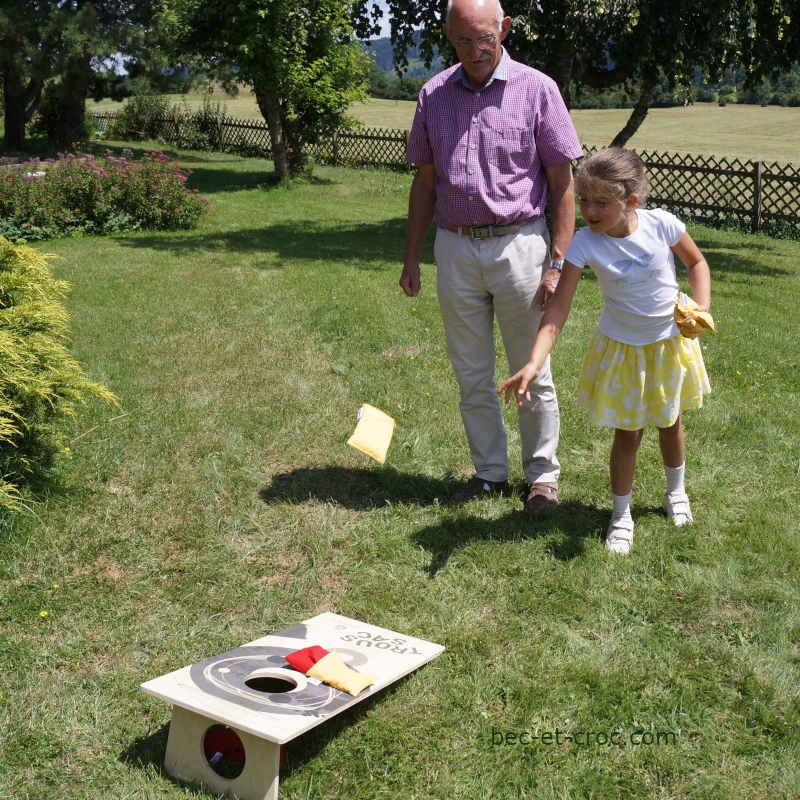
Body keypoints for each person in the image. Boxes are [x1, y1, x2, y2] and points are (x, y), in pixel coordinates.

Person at [400, 0, 583, 511]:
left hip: (519, 245)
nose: (475, 50)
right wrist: (411, 257)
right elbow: (425, 182)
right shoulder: (433, 94)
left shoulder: (537, 89)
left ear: (504, 29)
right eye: (463, 40)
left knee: (532, 367)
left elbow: (563, 184)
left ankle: (543, 478)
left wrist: (557, 261)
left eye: (484, 38)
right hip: (455, 247)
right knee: (471, 372)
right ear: (447, 35)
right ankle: (489, 474)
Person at [499, 148, 712, 555]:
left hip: (667, 345)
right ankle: (621, 514)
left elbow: (696, 263)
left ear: (629, 201)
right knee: (628, 433)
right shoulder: (584, 243)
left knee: (671, 422)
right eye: (584, 200)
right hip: (623, 351)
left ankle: (676, 493)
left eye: (601, 202)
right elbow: (558, 309)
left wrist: (700, 307)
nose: (589, 210)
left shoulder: (662, 225)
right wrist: (534, 361)